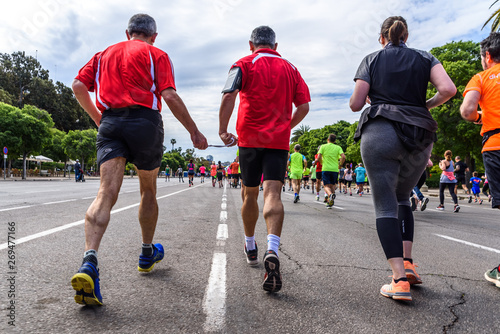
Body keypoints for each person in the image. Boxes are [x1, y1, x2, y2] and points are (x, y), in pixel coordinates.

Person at [70, 14, 207, 306]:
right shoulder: (156, 54)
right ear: (153, 36)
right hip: (145, 123)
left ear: (127, 32)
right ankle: (146, 253)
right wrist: (194, 131)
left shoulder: (103, 53)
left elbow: (78, 86)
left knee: (105, 193)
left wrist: (99, 119)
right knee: (148, 190)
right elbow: (168, 95)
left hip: (110, 123)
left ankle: (89, 261)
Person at [349, 16, 456, 301]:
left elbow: (356, 103)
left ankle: (398, 280)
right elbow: (448, 90)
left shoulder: (371, 60)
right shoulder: (425, 57)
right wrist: (424, 105)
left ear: (381, 37)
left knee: (385, 204)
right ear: (406, 35)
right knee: (403, 197)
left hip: (381, 131)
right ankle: (409, 265)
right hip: (420, 133)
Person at [218, 26, 310, 292]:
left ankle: (250, 245)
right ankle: (272, 249)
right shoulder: (291, 68)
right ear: (276, 45)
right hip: (278, 143)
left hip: (248, 140)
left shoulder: (243, 64)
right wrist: (286, 127)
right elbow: (303, 106)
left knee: (249, 194)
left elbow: (228, 96)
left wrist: (223, 130)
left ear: (251, 44)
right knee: (273, 194)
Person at [460, 32, 500, 288]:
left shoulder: (481, 77)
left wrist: (479, 118)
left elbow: (466, 110)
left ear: (487, 55)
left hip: (496, 145)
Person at [318, 134, 346, 209]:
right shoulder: (338, 147)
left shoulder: (323, 146)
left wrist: (321, 162)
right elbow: (343, 157)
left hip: (326, 168)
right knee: (333, 185)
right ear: (335, 140)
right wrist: (340, 164)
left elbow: (319, 157)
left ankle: (330, 195)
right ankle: (330, 202)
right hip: (334, 169)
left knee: (326, 185)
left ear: (328, 139)